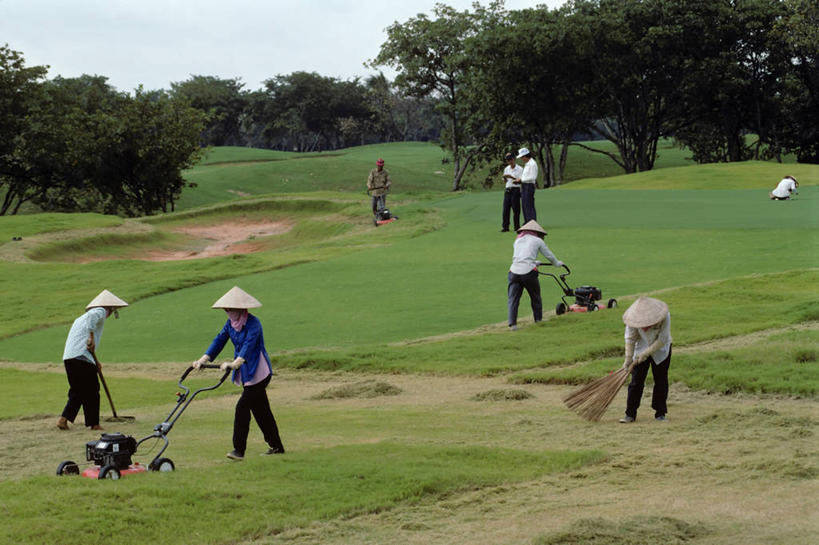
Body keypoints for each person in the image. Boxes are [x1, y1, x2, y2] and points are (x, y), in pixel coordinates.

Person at [193, 286, 285, 460]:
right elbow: (219, 340)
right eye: (225, 309)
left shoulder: (253, 323)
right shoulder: (230, 324)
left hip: (259, 372)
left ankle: (239, 450)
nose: (227, 312)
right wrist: (203, 359)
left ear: (239, 308)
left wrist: (235, 363)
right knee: (262, 411)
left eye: (229, 309)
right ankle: (277, 446)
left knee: (242, 408)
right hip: (246, 374)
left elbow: (249, 346)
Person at [57, 289, 128, 431]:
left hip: (71, 357)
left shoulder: (81, 318)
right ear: (111, 308)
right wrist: (91, 337)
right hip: (80, 357)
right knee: (92, 390)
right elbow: (91, 325)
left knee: (78, 391)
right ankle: (94, 424)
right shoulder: (100, 311)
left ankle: (63, 420)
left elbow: (86, 343)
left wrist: (95, 362)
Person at [619, 297, 672, 423]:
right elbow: (630, 339)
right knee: (636, 381)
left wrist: (646, 353)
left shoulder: (665, 316)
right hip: (640, 347)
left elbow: (663, 339)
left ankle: (660, 413)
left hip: (661, 350)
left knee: (661, 380)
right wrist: (628, 359)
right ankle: (630, 414)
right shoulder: (632, 319)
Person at [507, 220, 563, 330]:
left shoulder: (517, 240)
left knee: (513, 299)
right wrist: (557, 264)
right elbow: (549, 255)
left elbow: (521, 257)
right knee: (535, 297)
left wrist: (534, 262)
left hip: (513, 272)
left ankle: (512, 324)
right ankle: (538, 320)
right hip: (528, 272)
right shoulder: (538, 241)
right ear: (537, 232)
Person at [501, 152, 523, 232]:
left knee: (516, 209)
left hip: (515, 190)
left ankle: (516, 227)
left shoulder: (520, 169)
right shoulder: (506, 169)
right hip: (508, 189)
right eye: (508, 160)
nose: (510, 162)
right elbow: (505, 181)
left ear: (514, 159)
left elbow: (520, 180)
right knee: (506, 209)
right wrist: (505, 178)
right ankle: (505, 227)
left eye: (511, 160)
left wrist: (512, 177)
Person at [515, 147, 538, 222]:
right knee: (524, 205)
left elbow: (532, 177)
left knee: (529, 205)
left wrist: (521, 180)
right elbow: (526, 175)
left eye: (522, 157)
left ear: (525, 156)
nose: (522, 159)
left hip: (529, 186)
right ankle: (527, 222)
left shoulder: (532, 164)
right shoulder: (527, 164)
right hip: (524, 185)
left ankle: (532, 223)